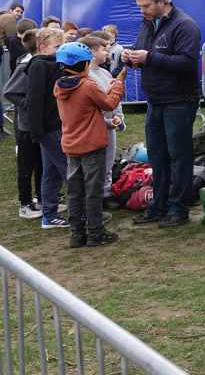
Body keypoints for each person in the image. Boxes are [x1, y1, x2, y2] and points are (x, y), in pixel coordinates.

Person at [123, 0, 201, 228]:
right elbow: (144, 52)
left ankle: (178, 208)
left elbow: (187, 63)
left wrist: (150, 58)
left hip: (179, 100)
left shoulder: (185, 26)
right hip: (155, 100)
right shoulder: (147, 24)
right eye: (140, 6)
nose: (142, 10)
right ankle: (158, 205)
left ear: (162, 1)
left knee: (179, 156)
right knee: (157, 155)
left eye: (145, 6)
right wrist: (131, 57)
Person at [53, 42, 125, 248]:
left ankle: (77, 235)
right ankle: (95, 233)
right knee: (92, 191)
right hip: (92, 145)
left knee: (75, 192)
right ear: (84, 64)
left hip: (71, 145)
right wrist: (118, 84)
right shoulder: (87, 85)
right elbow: (109, 104)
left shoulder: (59, 85)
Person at [26, 27, 70, 229]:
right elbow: (34, 100)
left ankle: (49, 214)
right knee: (69, 169)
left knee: (51, 172)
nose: (61, 50)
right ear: (43, 47)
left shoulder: (53, 64)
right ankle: (84, 212)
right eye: (57, 46)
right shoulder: (39, 66)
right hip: (48, 128)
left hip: (54, 125)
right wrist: (36, 130)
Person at [79, 35, 125, 209]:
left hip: (110, 127)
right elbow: (95, 104)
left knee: (108, 159)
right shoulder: (87, 77)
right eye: (104, 48)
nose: (108, 51)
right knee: (94, 164)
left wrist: (119, 117)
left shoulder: (104, 72)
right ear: (92, 52)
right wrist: (106, 121)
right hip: (95, 128)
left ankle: (106, 192)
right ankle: (93, 196)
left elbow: (115, 98)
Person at [3, 29, 43, 218]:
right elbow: (9, 91)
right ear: (40, 45)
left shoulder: (40, 63)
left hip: (40, 123)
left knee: (41, 162)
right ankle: (25, 204)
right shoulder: (26, 65)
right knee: (26, 165)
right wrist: (27, 104)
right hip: (25, 125)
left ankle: (42, 199)